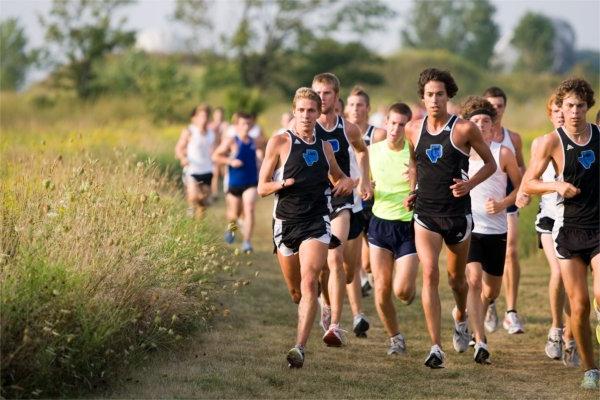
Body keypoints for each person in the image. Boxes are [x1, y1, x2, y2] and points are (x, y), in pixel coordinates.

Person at [404, 68, 496, 368]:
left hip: (457, 215)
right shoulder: (412, 129)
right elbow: (414, 162)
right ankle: (435, 348)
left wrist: (469, 184)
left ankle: (460, 315)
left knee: (458, 281)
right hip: (426, 214)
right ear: (422, 97)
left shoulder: (464, 129)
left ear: (448, 96)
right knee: (429, 274)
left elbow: (490, 164)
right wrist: (413, 189)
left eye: (440, 94)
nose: (434, 100)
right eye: (429, 95)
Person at [257, 87, 355, 368]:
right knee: (297, 292)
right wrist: (280, 184)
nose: (306, 115)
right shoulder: (279, 143)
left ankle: (299, 348)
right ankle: (309, 309)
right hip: (286, 222)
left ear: (318, 112)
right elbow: (262, 186)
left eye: (311, 110)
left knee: (310, 280)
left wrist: (348, 183)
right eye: (301, 110)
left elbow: (339, 177)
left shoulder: (324, 146)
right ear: (294, 110)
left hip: (316, 220)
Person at [520, 78, 599, 389]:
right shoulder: (549, 143)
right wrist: (556, 185)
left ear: (588, 107)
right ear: (560, 108)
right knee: (577, 306)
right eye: (569, 106)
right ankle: (591, 370)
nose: (575, 112)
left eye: (581, 106)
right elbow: (528, 183)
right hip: (568, 231)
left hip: (598, 227)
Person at [517, 95, 579, 366]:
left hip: (580, 219)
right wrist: (522, 194)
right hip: (550, 217)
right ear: (551, 115)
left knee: (576, 286)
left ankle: (572, 336)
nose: (563, 115)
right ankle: (556, 329)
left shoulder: (583, 141)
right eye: (557, 111)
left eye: (564, 110)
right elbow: (529, 179)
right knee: (559, 274)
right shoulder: (544, 143)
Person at [312, 73, 373, 347]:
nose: (322, 98)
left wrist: (361, 179)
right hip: (313, 201)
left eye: (327, 93)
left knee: (343, 267)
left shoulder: (348, 129)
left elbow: (362, 151)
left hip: (343, 199)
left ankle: (335, 326)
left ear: (337, 97)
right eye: (318, 93)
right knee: (325, 265)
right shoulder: (304, 126)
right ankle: (327, 306)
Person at [461, 96, 522, 364]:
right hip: (470, 227)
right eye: (476, 121)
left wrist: (503, 203)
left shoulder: (503, 153)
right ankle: (479, 339)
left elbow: (521, 187)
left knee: (491, 291)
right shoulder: (460, 155)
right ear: (469, 126)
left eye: (486, 121)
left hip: (497, 230)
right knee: (473, 281)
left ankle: (464, 314)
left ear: (492, 125)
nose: (482, 125)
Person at [368, 102, 419, 356]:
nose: (396, 129)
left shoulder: (414, 153)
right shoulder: (372, 151)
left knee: (402, 291)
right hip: (379, 223)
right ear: (385, 123)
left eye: (402, 124)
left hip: (408, 225)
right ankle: (395, 338)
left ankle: (410, 289)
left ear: (407, 127)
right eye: (393, 123)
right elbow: (361, 184)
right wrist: (365, 186)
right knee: (381, 288)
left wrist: (414, 190)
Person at [343, 86, 387, 338]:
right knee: (354, 260)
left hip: (374, 198)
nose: (355, 109)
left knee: (368, 261)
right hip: (350, 199)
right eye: (352, 105)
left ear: (367, 109)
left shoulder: (376, 134)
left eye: (360, 105)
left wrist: (373, 181)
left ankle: (366, 281)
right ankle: (357, 313)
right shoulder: (342, 131)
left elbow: (385, 163)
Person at [482, 86, 527, 335]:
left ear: (504, 108)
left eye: (499, 105)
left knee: (511, 251)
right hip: (480, 206)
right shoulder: (475, 135)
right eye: (491, 105)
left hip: (508, 201)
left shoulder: (514, 138)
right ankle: (488, 303)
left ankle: (511, 312)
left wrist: (525, 188)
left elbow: (522, 167)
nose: (495, 109)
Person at [212, 112, 260, 254]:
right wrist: (230, 161)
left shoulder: (254, 141)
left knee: (249, 208)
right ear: (237, 125)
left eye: (249, 124)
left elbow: (259, 157)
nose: (246, 126)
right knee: (234, 215)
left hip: (251, 182)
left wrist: (260, 162)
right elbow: (215, 156)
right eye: (243, 124)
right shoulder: (231, 141)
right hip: (235, 183)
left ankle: (247, 242)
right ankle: (231, 229)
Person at [175, 104, 216, 218]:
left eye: (206, 116)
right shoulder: (189, 131)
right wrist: (183, 158)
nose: (204, 119)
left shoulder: (211, 134)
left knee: (203, 202)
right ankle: (189, 212)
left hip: (207, 170)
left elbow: (215, 150)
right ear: (196, 118)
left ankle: (197, 227)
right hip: (192, 170)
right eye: (201, 116)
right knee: (193, 196)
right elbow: (178, 148)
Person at [209, 106, 229, 199]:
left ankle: (227, 190)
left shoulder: (225, 125)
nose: (219, 116)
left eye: (220, 114)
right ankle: (215, 193)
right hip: (214, 153)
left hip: (224, 152)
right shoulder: (210, 126)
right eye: (217, 114)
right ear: (214, 115)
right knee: (215, 173)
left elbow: (227, 137)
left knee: (225, 172)